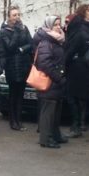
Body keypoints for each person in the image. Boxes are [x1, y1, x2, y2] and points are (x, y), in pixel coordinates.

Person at [34, 16, 67, 147]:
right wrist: (59, 77)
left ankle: (55, 134)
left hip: (55, 83)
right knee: (48, 112)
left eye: (59, 24)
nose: (58, 27)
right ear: (48, 27)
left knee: (55, 112)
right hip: (49, 82)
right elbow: (44, 64)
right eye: (55, 25)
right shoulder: (46, 42)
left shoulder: (56, 41)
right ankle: (45, 139)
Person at [64, 4, 89, 137]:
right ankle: (78, 124)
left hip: (76, 69)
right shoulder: (80, 33)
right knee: (78, 98)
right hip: (80, 68)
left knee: (73, 98)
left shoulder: (78, 35)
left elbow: (69, 52)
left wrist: (63, 64)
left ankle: (76, 126)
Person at [0, 6, 33, 131]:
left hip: (23, 65)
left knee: (21, 94)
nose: (17, 17)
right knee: (13, 94)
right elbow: (9, 47)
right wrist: (17, 32)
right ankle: (12, 121)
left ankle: (19, 120)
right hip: (12, 66)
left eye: (18, 14)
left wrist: (22, 49)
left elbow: (31, 43)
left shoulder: (24, 28)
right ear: (9, 17)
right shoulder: (5, 31)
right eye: (14, 15)